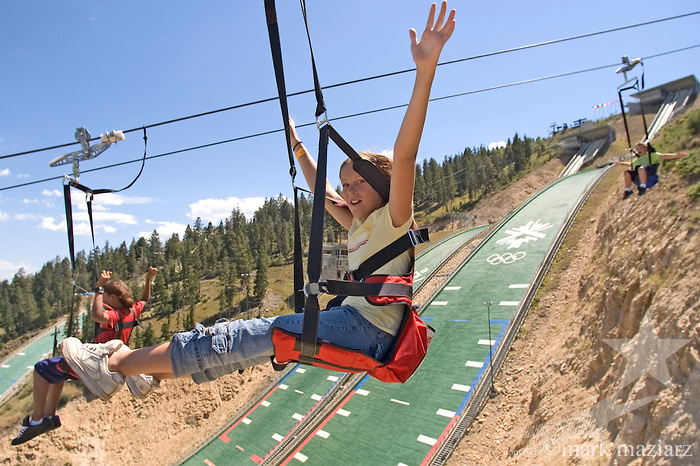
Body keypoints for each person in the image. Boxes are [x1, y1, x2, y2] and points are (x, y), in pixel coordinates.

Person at [59, 2, 456, 403]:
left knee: (247, 335)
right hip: (358, 328)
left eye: (358, 183)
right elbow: (321, 189)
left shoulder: (394, 218)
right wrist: (298, 144)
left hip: (368, 332)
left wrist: (425, 71)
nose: (349, 192)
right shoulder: (357, 225)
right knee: (245, 344)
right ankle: (148, 372)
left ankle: (113, 365)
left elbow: (405, 156)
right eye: (345, 183)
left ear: (383, 186)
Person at [11, 267, 159, 446]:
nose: (102, 298)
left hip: (96, 364)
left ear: (113, 297)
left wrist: (98, 288)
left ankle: (36, 421)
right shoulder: (132, 312)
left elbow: (97, 315)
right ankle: (49, 417)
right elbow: (143, 300)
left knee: (41, 369)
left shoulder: (115, 315)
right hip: (109, 365)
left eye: (105, 295)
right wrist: (148, 280)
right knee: (57, 371)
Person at [615, 141, 687, 199]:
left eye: (640, 148)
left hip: (650, 176)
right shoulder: (638, 159)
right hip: (639, 177)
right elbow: (630, 164)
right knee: (627, 172)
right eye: (637, 149)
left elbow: (663, 156)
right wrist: (620, 164)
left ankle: (643, 187)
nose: (638, 150)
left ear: (646, 149)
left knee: (641, 168)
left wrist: (675, 155)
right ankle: (628, 190)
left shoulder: (652, 155)